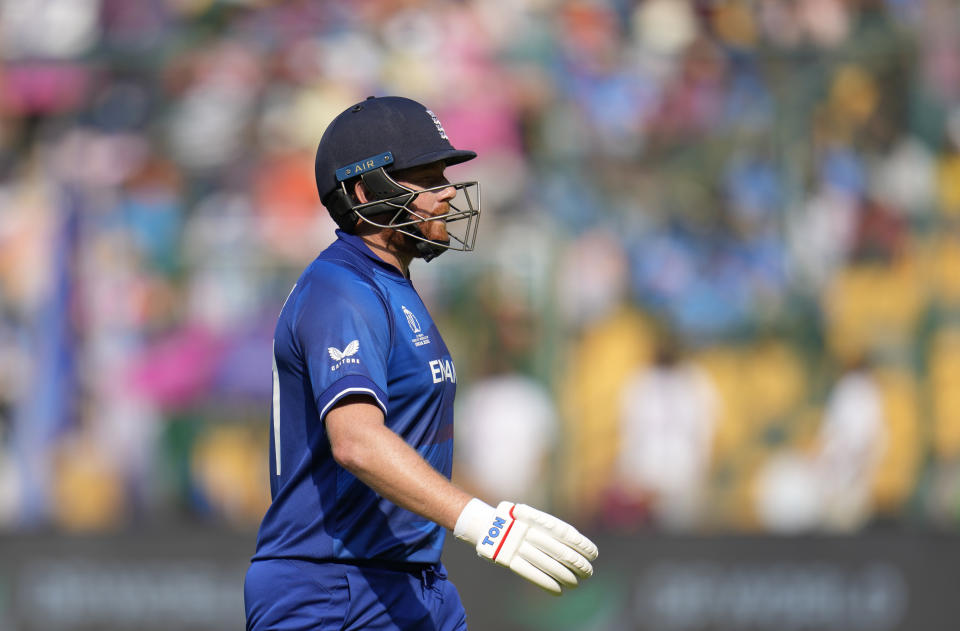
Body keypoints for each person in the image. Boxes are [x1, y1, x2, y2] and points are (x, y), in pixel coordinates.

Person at [243, 96, 598, 631]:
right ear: (367, 192)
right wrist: (484, 523)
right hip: (331, 588)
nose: (450, 191)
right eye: (428, 178)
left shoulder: (392, 287)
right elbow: (356, 441)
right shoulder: (340, 289)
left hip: (411, 581)